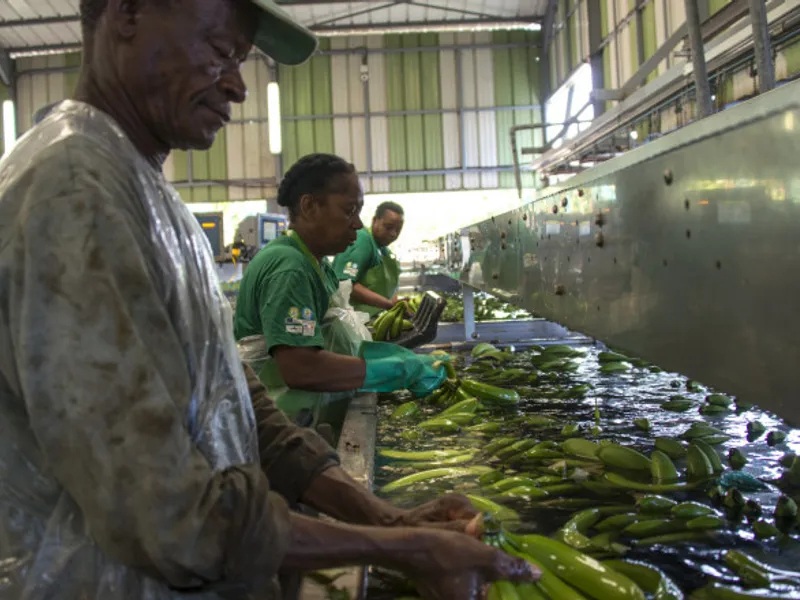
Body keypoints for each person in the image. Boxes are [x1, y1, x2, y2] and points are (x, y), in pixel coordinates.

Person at [0, 0, 538, 598]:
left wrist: (383, 515)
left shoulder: (146, 195)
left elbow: (236, 399)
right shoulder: (72, 192)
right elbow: (165, 514)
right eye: (218, 51)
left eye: (241, 60)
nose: (237, 86)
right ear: (128, 13)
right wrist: (406, 548)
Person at [233, 154, 443, 439]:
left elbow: (330, 335)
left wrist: (387, 356)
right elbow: (301, 368)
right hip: (282, 430)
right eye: (349, 210)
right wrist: (395, 370)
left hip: (304, 420)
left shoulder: (315, 262)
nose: (358, 224)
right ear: (309, 206)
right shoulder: (289, 268)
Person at [333, 200, 406, 317]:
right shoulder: (362, 241)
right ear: (375, 221)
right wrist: (388, 305)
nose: (393, 234)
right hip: (350, 321)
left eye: (398, 229)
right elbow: (345, 284)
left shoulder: (382, 250)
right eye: (389, 227)